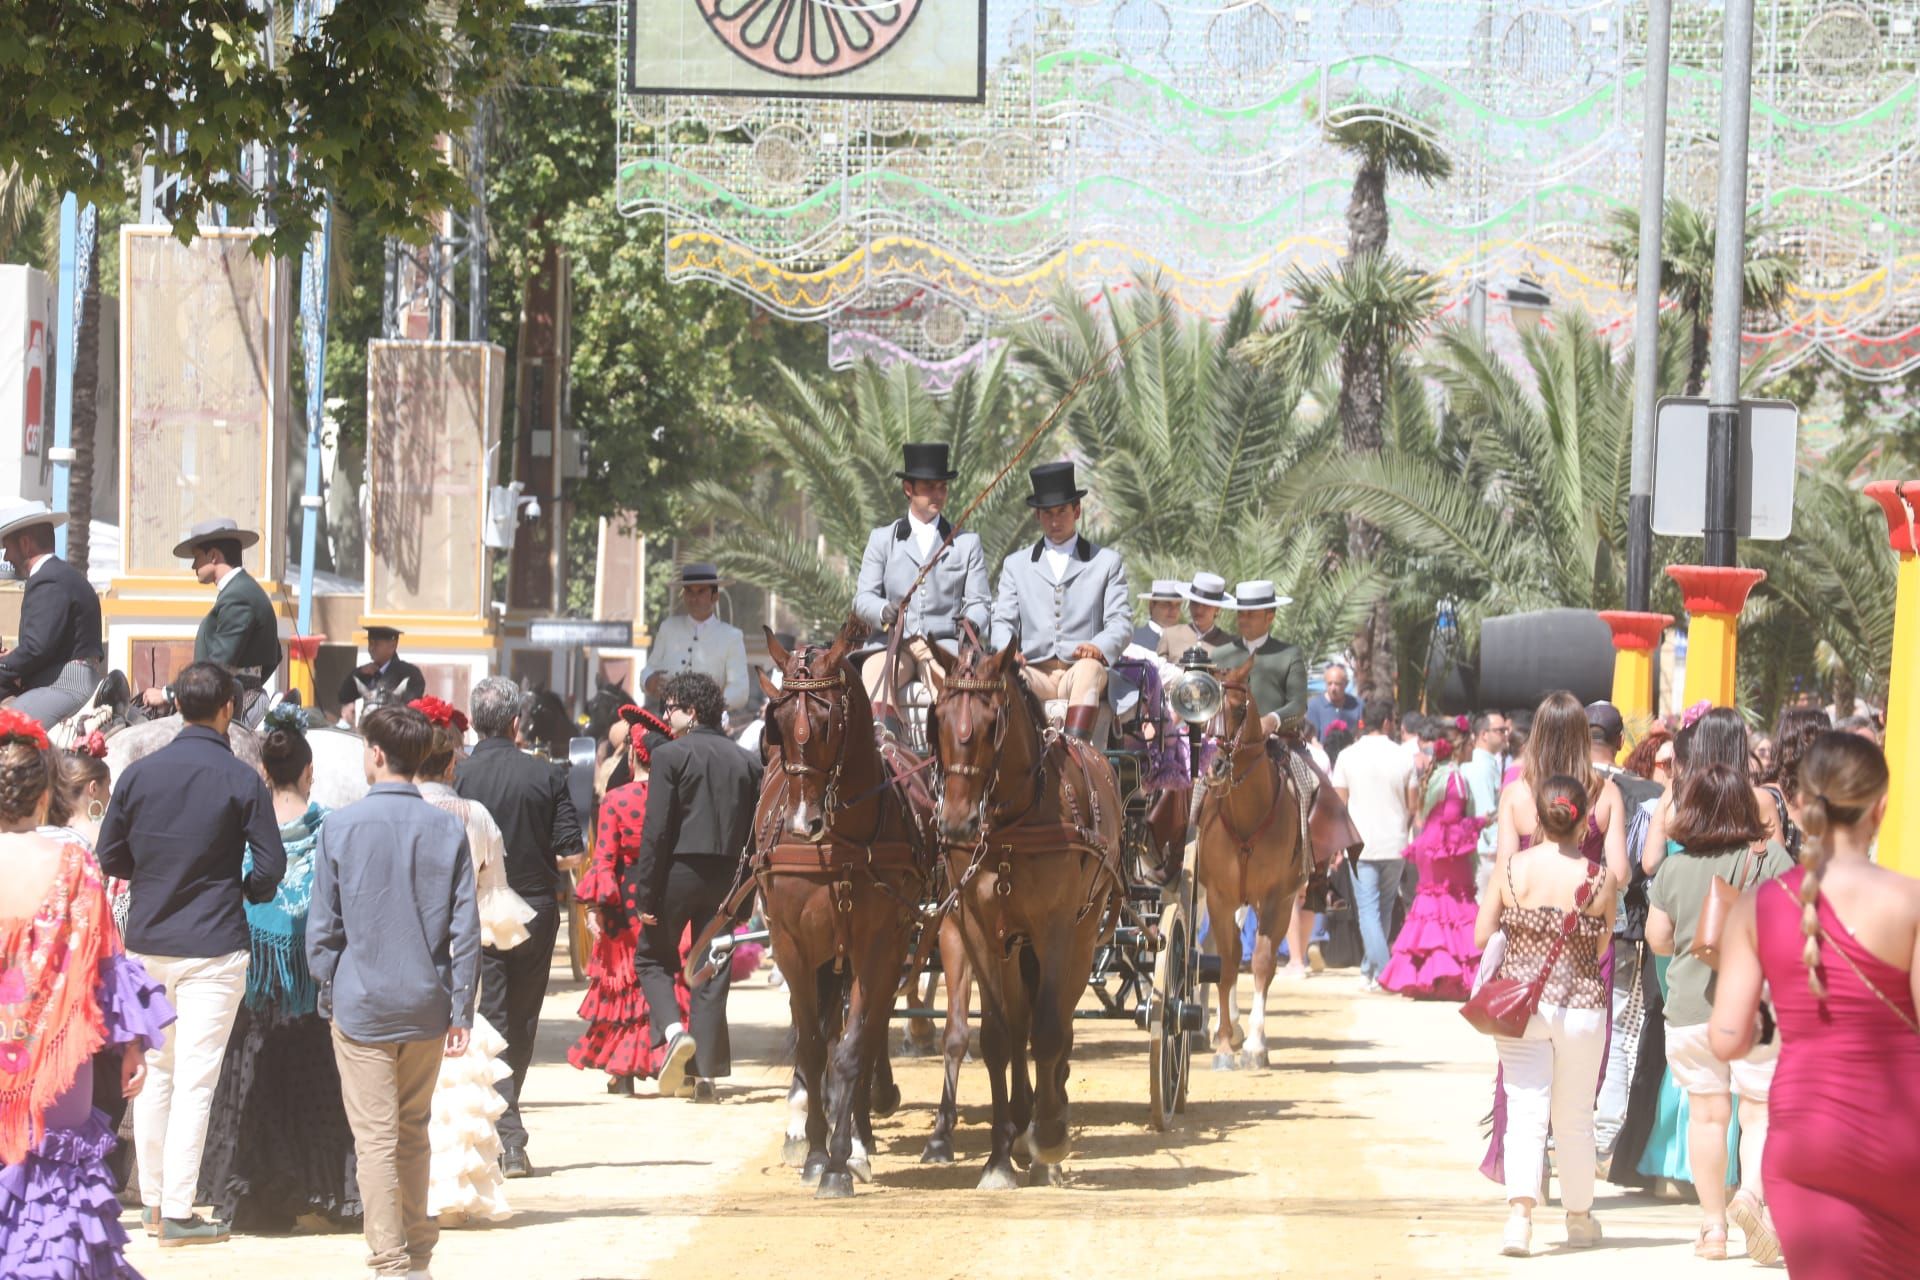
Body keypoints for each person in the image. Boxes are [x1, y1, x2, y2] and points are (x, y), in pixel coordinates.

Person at [1709, 732, 1920, 1279]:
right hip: (1902, 1134)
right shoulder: (1910, 902)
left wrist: (1765, 1021)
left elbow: (1725, 1038)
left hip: (1805, 1139)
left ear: (1799, 807)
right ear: (1880, 806)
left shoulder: (1759, 905)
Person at [96, 660, 287, 1246]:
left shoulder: (139, 773)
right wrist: (241, 889)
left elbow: (111, 855)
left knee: (154, 1074)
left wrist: (152, 877)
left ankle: (152, 1203)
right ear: (228, 709)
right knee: (197, 1081)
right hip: (214, 944)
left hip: (149, 939)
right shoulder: (241, 778)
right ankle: (179, 1208)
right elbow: (271, 865)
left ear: (178, 705)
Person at [0, 708, 176, 1278]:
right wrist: (130, 1045)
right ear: (47, 793)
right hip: (58, 1062)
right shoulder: (73, 862)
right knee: (59, 1206)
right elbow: (108, 960)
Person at [307, 705, 481, 1280]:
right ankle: (418, 1248)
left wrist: (327, 982)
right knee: (413, 1130)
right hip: (426, 1002)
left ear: (377, 754)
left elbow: (323, 929)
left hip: (361, 1002)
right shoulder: (447, 827)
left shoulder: (339, 826)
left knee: (376, 1139)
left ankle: (392, 1260)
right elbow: (465, 929)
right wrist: (461, 1006)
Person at [193, 707, 360, 1231]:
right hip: (314, 982)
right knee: (320, 1089)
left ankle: (255, 1194)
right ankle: (330, 1191)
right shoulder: (334, 826)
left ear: (264, 771)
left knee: (250, 1086)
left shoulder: (245, 826)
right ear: (310, 772)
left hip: (256, 980)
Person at [1646, 760, 1794, 1262]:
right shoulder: (1769, 856)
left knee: (1707, 1116)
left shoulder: (1672, 867)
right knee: (1760, 1112)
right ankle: (1752, 1197)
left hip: (1689, 1009)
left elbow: (1658, 939)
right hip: (1754, 1008)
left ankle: (1712, 1230)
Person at [1474, 775, 1616, 1257]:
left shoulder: (1511, 870)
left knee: (1525, 1106)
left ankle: (1520, 1218)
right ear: (1582, 821)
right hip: (1580, 1005)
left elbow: (1481, 935)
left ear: (1539, 817)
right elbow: (1600, 945)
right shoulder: (1599, 877)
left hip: (1522, 1003)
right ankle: (1578, 1216)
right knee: (1575, 1114)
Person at [453, 676, 584, 1177]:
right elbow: (570, 850)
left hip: (474, 906)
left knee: (491, 1017)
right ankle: (509, 1134)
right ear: (515, 724)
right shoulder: (545, 776)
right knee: (522, 1021)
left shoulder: (460, 777)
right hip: (533, 908)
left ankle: (504, 1132)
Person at [410, 695, 533, 1226]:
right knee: (457, 1063)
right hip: (463, 953)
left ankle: (410, 1189)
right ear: (452, 761)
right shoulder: (475, 816)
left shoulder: (394, 808)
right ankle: (455, 1191)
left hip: (403, 950)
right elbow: (493, 897)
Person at [628, 673, 762, 1100]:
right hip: (727, 881)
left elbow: (656, 833)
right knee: (712, 970)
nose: (667, 716)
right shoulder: (746, 761)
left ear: (692, 711)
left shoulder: (670, 755)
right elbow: (754, 838)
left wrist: (646, 894)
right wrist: (746, 899)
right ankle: (704, 1076)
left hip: (678, 873)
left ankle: (672, 1034)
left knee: (651, 960)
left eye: (671, 708)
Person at [572, 705, 689, 1093]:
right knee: (664, 978)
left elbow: (603, 859)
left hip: (625, 899)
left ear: (635, 756)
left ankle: (623, 1073)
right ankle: (663, 1058)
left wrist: (595, 907)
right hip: (668, 896)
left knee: (624, 982)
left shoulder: (616, 799)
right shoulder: (675, 799)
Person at [988, 460, 1131, 741]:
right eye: (1047, 513)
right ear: (1037, 516)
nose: (1055, 521)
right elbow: (1002, 620)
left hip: (1078, 672)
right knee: (1004, 678)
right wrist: (1008, 650)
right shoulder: (1016, 565)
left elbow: (1121, 622)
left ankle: (1076, 754)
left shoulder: (1106, 562)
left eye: (1062, 511)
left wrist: (1099, 647)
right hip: (1034, 672)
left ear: (1076, 510)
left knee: (1091, 670)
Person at [850, 441, 990, 712]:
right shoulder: (882, 540)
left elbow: (980, 602)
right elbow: (862, 599)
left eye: (942, 487)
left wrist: (971, 623)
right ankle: (885, 747)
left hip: (943, 647)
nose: (937, 494)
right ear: (908, 489)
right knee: (874, 679)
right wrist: (883, 610)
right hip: (892, 646)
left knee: (957, 698)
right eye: (928, 487)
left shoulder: (966, 543)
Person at [1585, 701, 1665, 1166]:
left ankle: (1561, 1129)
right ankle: (1607, 1129)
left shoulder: (1559, 783)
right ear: (1620, 742)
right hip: (1624, 924)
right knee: (1614, 1026)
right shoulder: (1648, 792)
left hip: (1569, 918)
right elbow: (1643, 866)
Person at [1379, 715, 1485, 1000]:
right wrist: (1478, 823)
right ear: (1460, 746)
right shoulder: (1456, 776)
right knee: (1456, 905)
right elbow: (1453, 817)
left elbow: (1428, 816)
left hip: (1429, 845)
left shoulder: (1433, 775)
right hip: (1448, 848)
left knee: (1430, 905)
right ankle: (1454, 977)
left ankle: (1423, 975)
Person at [137, 519, 282, 716]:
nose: (193, 566)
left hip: (232, 704)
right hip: (233, 697)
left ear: (213, 556)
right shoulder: (243, 590)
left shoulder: (238, 595)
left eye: (197, 557)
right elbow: (274, 656)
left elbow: (218, 663)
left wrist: (168, 694)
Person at [1330, 696, 1417, 989]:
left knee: (1368, 910)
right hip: (1395, 842)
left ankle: (1384, 971)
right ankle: (1370, 970)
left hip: (1360, 843)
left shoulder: (1347, 756)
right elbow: (1413, 804)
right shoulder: (1404, 756)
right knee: (1383, 907)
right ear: (1389, 722)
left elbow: (1339, 805)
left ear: (1364, 722)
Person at [0, 500, 105, 727]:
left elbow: (36, 648)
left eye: (7, 547)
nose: (6, 556)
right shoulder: (65, 575)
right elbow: (50, 644)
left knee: (7, 729)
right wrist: (12, 658)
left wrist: (4, 666)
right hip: (72, 678)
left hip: (64, 685)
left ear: (26, 544)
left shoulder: (47, 579)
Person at [641, 563, 748, 712]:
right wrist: (648, 681)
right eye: (689, 592)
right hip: (667, 719)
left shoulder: (731, 636)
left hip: (709, 723)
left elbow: (739, 688)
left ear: (715, 596)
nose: (693, 598)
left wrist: (712, 709)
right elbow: (649, 669)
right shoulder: (668, 627)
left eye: (700, 592)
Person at [336, 625, 426, 726]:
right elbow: (344, 697)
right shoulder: (365, 672)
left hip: (395, 732)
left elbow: (410, 709)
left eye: (376, 644)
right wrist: (358, 673)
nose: (371, 648)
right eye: (370, 643)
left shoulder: (410, 673)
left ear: (392, 646)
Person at [1464, 710, 1512, 894]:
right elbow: (1485, 812)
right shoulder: (1481, 766)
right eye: (1500, 730)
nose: (1505, 735)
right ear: (1484, 734)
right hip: (1485, 851)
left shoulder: (1485, 762)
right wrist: (1497, 845)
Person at [1180, 572, 1237, 651]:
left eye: (1206, 606)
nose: (1199, 610)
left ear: (1217, 609)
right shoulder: (1171, 637)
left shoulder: (1228, 644)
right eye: (1195, 603)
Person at [1304, 662, 1360, 741]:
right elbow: (1312, 738)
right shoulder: (1314, 706)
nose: (1333, 688)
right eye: (1329, 684)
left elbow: (1361, 733)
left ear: (1346, 684)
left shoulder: (1357, 705)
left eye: (1337, 684)